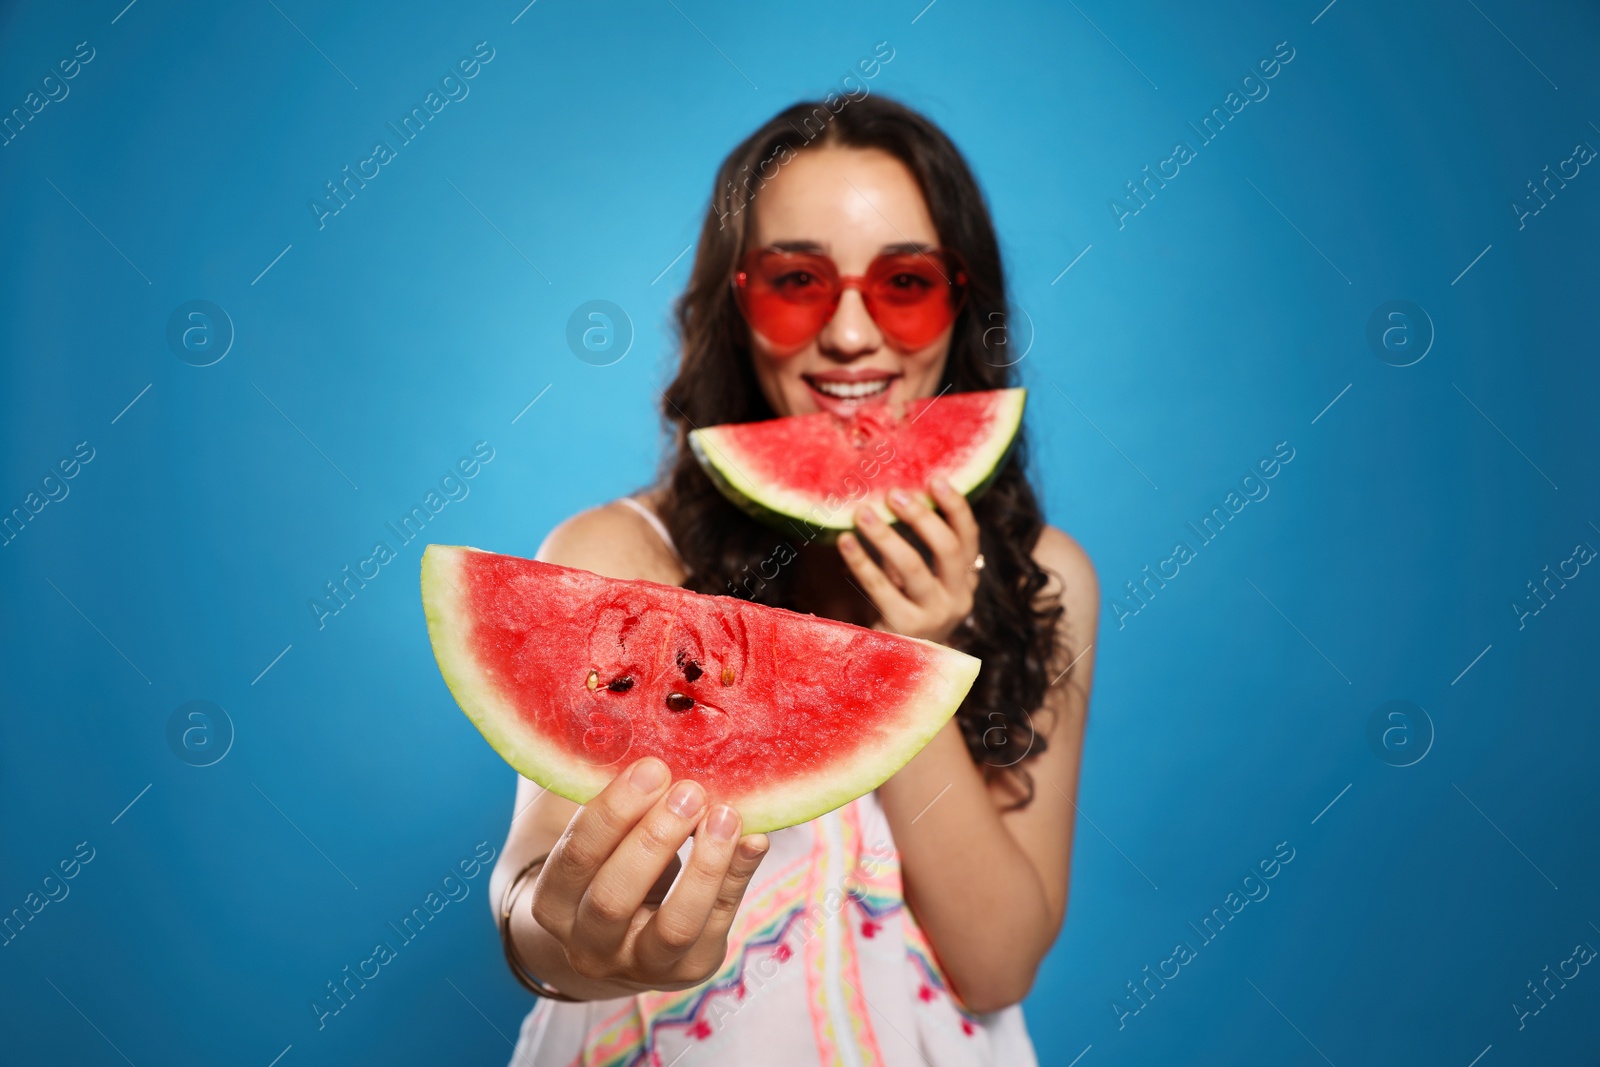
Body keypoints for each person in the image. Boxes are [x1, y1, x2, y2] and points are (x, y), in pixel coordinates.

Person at [488, 94, 1099, 1066]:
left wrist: (917, 659)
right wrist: (579, 945)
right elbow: (532, 891)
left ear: (960, 300)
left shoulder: (1043, 576)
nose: (851, 333)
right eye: (796, 280)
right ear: (736, 305)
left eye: (903, 281)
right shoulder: (619, 555)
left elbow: (996, 963)